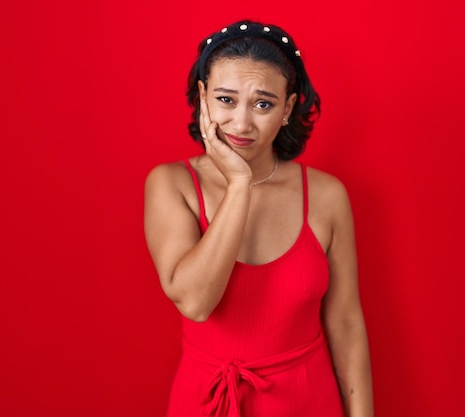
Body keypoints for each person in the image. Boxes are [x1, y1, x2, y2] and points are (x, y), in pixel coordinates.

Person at [144, 19, 373, 417]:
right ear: (203, 98)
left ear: (287, 108)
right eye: (226, 100)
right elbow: (196, 302)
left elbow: (347, 323)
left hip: (307, 400)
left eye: (263, 103)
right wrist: (238, 183)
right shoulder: (171, 184)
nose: (242, 123)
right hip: (207, 402)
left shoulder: (327, 195)